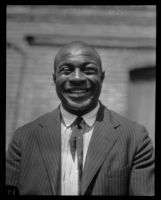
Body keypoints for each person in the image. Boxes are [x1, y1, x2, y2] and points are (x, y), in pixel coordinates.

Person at [6, 41, 154, 196]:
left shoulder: (135, 138)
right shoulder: (23, 138)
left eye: (89, 70)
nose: (77, 78)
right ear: (54, 78)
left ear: (102, 78)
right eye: (66, 70)